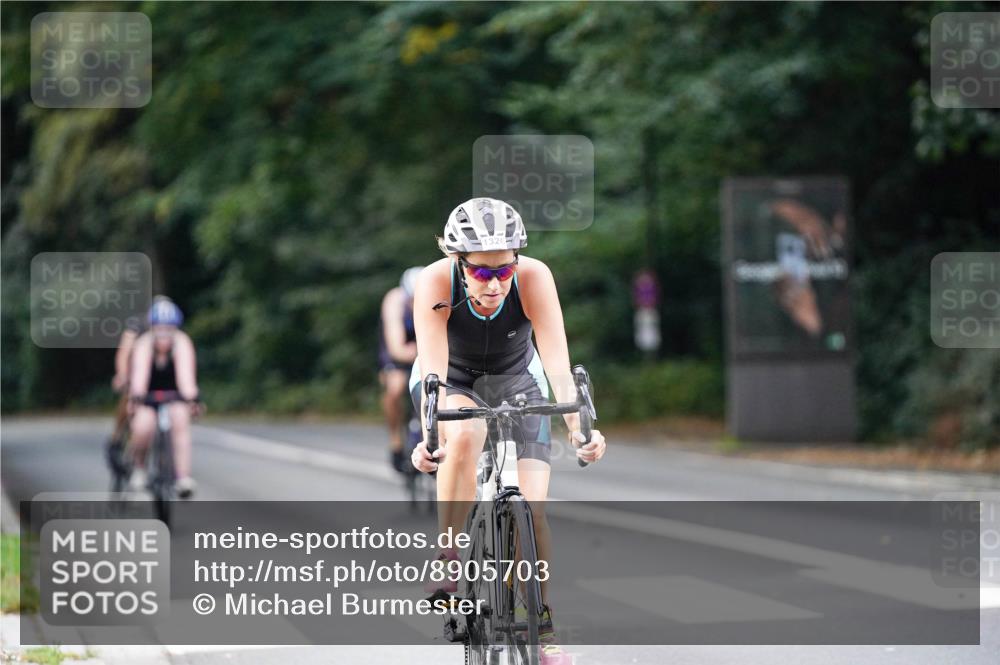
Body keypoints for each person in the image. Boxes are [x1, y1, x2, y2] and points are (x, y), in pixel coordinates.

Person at [409, 197, 607, 664]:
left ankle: (542, 627)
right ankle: (448, 556)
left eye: (505, 270)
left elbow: (557, 365)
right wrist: (432, 438)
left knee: (533, 511)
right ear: (457, 261)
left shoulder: (535, 277)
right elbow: (434, 374)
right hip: (453, 379)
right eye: (481, 272)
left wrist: (581, 430)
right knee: (466, 433)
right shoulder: (434, 282)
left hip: (519, 380)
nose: (495, 283)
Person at [128, 297, 201, 498]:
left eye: (168, 329)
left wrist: (192, 398)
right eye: (159, 329)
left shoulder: (182, 342)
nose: (164, 334)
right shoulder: (144, 344)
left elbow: (186, 376)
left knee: (180, 422)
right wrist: (137, 397)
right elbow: (139, 376)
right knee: (142, 427)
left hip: (174, 393)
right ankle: (140, 467)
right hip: (148, 394)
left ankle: (183, 477)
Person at [379, 266, 423, 472]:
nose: (416, 304)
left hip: (423, 345)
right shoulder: (394, 300)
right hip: (399, 349)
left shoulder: (437, 294)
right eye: (412, 299)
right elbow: (397, 349)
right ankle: (395, 440)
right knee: (395, 388)